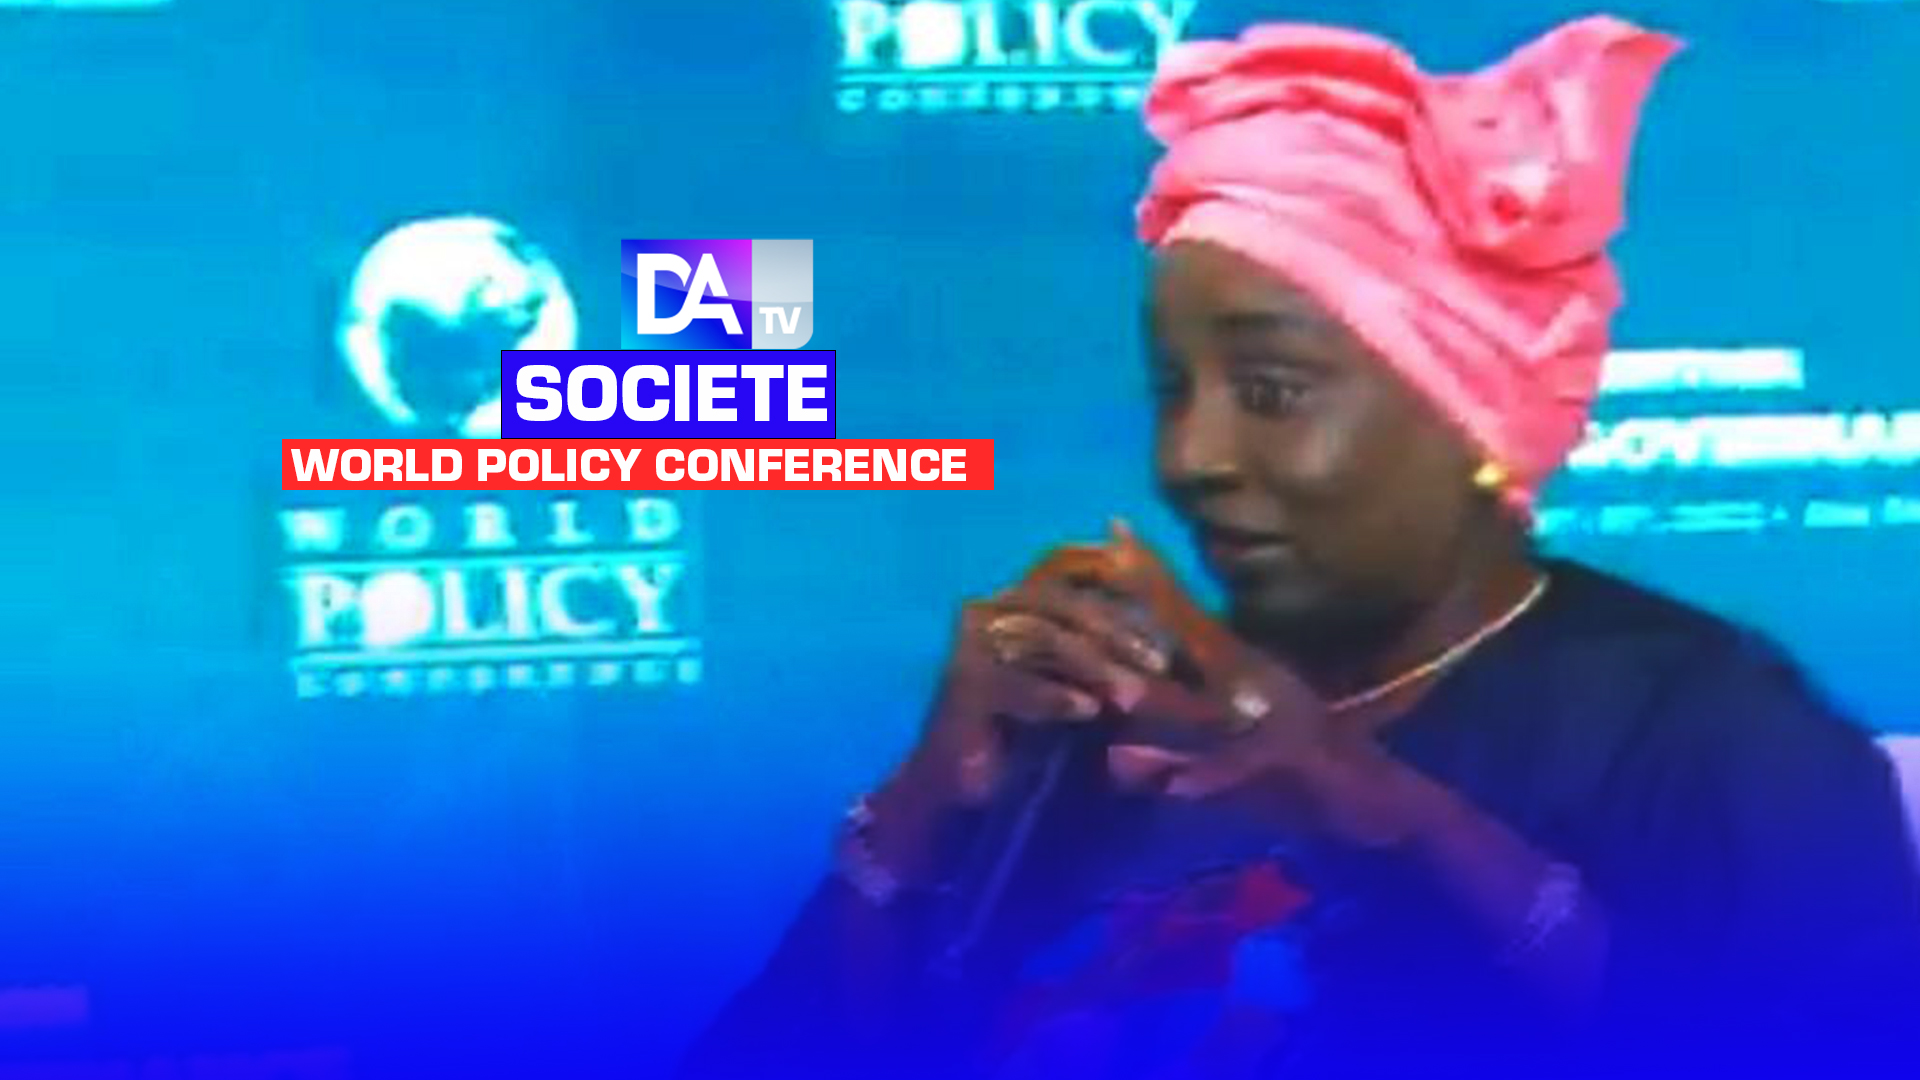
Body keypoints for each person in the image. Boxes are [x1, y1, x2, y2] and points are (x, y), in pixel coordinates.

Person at [676, 15, 1920, 1079]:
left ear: (1474, 416)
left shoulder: (1706, 732)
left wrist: (1398, 820)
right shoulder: (1102, 727)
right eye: (1173, 389)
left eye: (1270, 391)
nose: (1189, 457)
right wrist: (919, 810)